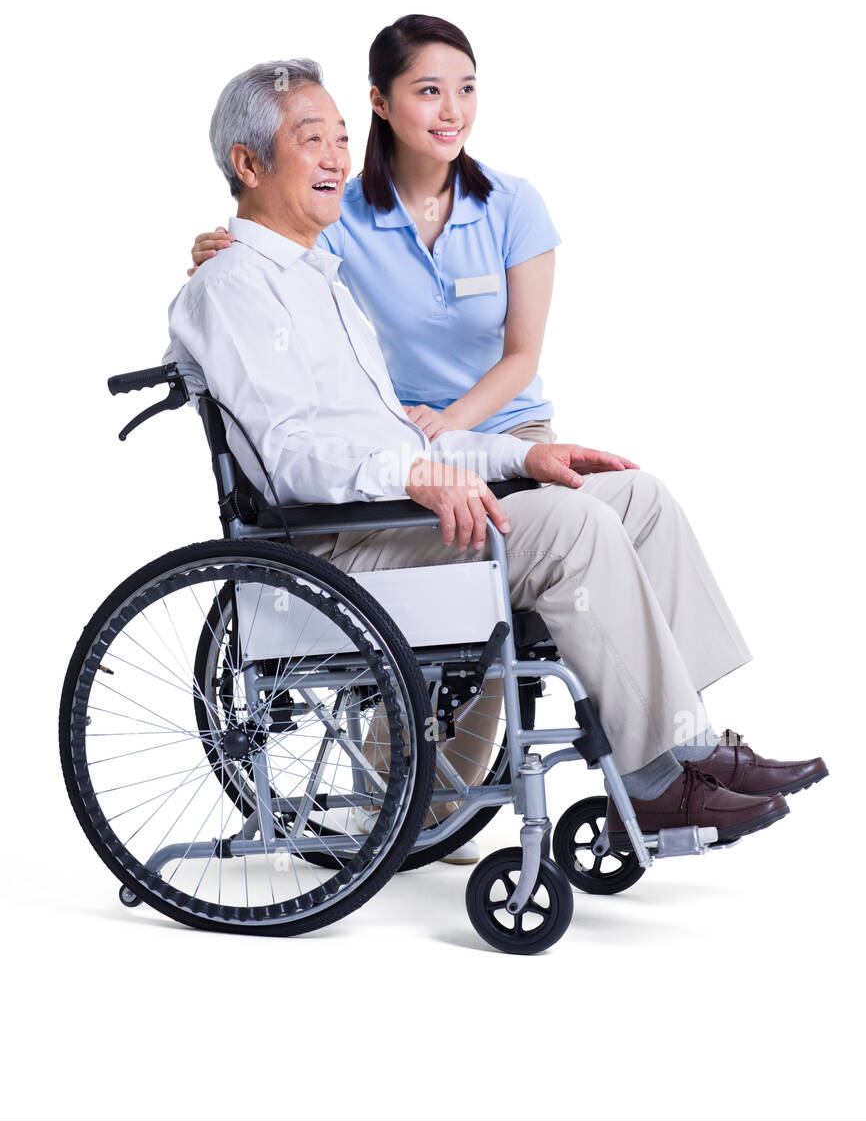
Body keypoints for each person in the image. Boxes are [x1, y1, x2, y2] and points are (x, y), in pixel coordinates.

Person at [164, 59, 827, 865]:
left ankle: (694, 744)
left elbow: (405, 435)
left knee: (635, 496)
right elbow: (291, 454)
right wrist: (414, 476)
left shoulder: (321, 280)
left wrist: (527, 454)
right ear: (248, 163)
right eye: (314, 140)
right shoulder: (231, 285)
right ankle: (658, 778)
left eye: (342, 138)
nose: (338, 156)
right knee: (571, 528)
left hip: (389, 514)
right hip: (333, 547)